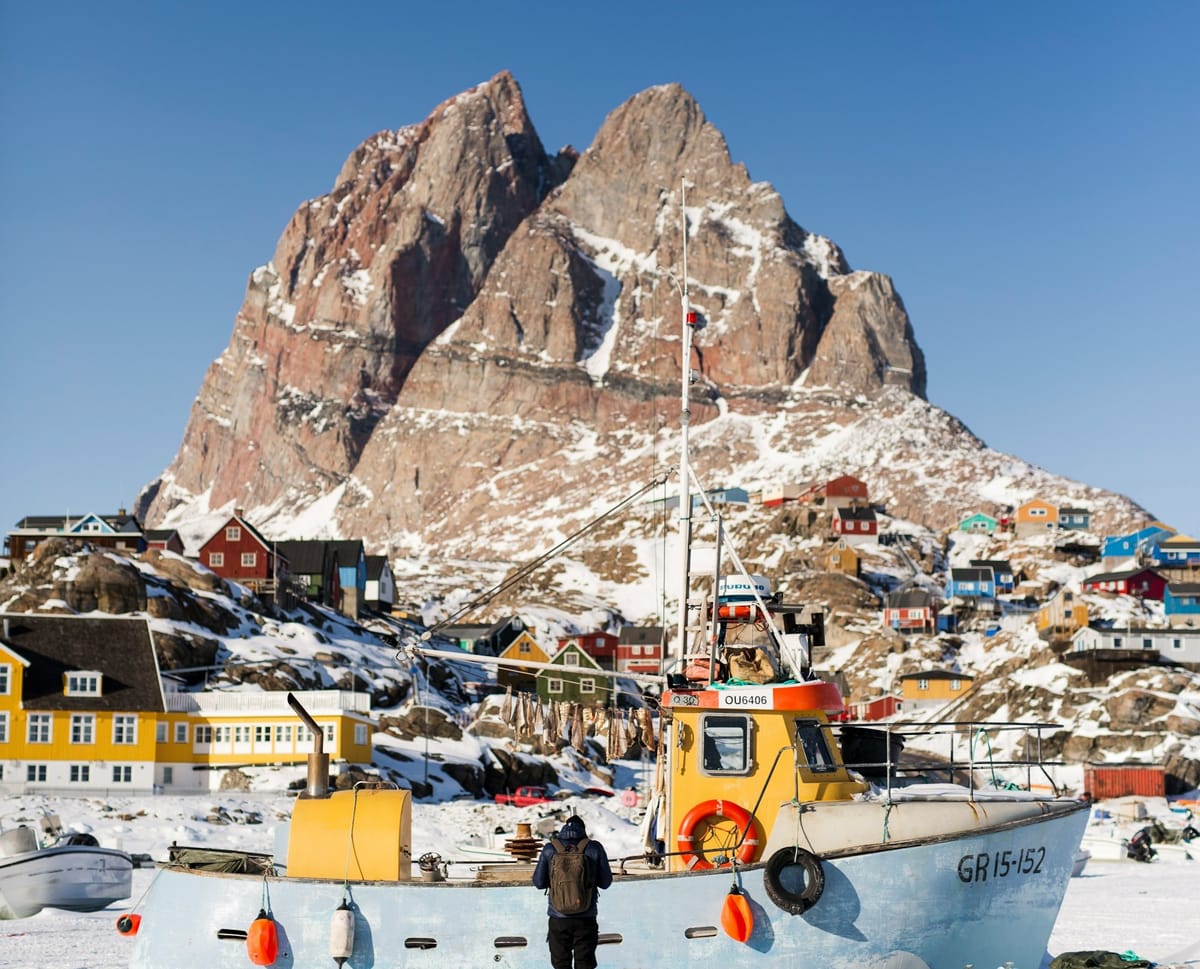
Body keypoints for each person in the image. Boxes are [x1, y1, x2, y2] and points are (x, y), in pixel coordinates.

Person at [531, 814, 613, 969]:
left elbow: (539, 883)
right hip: (586, 917)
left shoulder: (550, 848)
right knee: (585, 963)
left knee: (561, 963)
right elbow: (606, 883)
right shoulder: (594, 847)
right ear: (583, 830)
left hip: (558, 918)